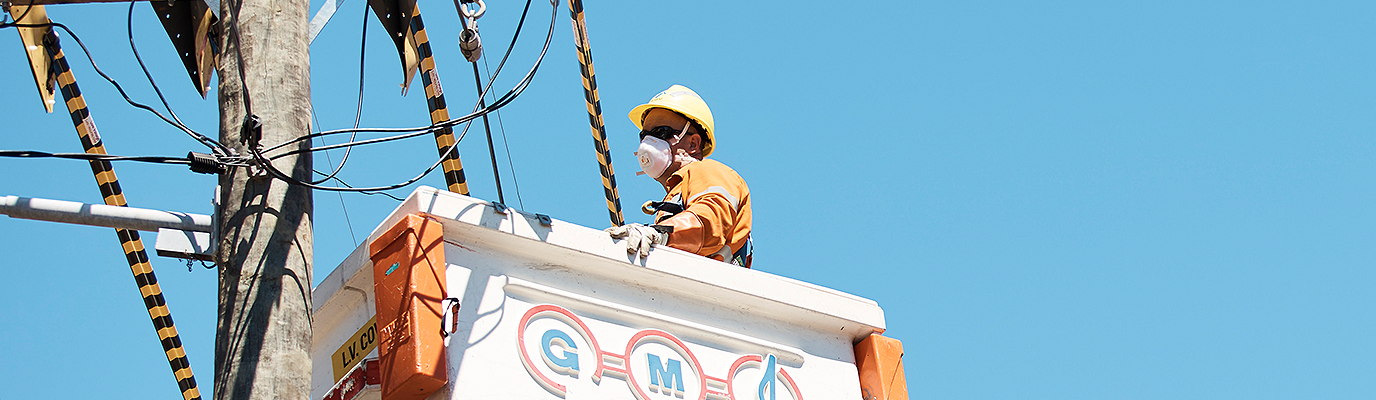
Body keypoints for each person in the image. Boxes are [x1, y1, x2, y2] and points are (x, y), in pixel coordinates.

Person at [605, 85, 753, 268]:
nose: (648, 143)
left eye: (661, 133)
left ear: (693, 143)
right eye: (644, 135)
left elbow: (709, 222)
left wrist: (660, 233)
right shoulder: (678, 194)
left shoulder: (708, 171)